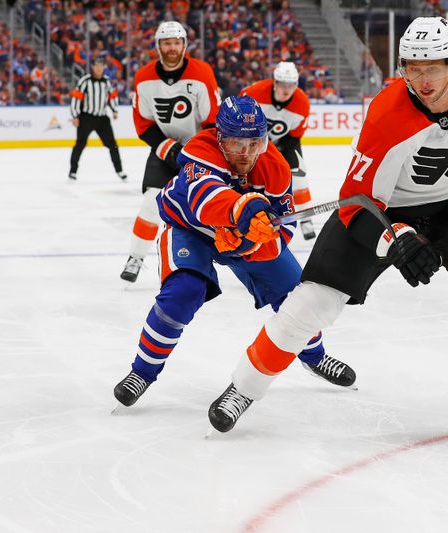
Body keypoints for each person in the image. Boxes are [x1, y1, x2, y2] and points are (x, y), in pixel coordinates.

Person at [208, 16, 448, 434]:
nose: (423, 79)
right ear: (401, 67)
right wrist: (397, 239)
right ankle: (244, 387)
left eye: (432, 67)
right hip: (378, 214)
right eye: (412, 67)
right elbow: (355, 204)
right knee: (312, 303)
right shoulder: (386, 114)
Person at [113, 95, 357, 409]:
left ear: (264, 141)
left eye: (254, 143)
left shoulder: (276, 168)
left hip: (244, 242)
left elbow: (282, 232)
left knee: (298, 298)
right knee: (183, 292)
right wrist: (247, 211)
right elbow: (206, 199)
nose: (245, 153)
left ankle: (314, 356)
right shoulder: (200, 150)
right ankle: (142, 373)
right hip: (191, 231)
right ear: (219, 138)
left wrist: (252, 240)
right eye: (235, 144)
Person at [120, 20, 221, 283]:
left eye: (177, 42)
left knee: (206, 205)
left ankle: (218, 258)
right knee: (151, 203)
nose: (172, 47)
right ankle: (136, 257)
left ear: (184, 45)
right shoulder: (143, 77)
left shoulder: (202, 72)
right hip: (163, 148)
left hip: (199, 150)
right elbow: (143, 124)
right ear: (158, 46)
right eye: (167, 43)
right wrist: (168, 147)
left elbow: (212, 119)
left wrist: (197, 148)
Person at [240, 62, 316, 240]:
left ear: (296, 84)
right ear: (274, 82)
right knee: (243, 175)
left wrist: (275, 154)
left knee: (298, 175)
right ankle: (244, 211)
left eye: (290, 85)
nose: (286, 89)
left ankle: (306, 219)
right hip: (250, 141)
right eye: (282, 83)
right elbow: (238, 117)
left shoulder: (302, 103)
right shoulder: (254, 93)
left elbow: (294, 135)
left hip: (284, 143)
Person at [68, 56, 125, 181]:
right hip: (86, 118)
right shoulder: (85, 81)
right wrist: (75, 115)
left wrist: (114, 110)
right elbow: (76, 98)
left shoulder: (107, 81)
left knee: (112, 145)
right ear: (92, 67)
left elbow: (112, 96)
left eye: (101, 66)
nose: (99, 68)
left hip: (102, 119)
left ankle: (120, 170)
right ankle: (72, 172)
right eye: (96, 66)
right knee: (80, 144)